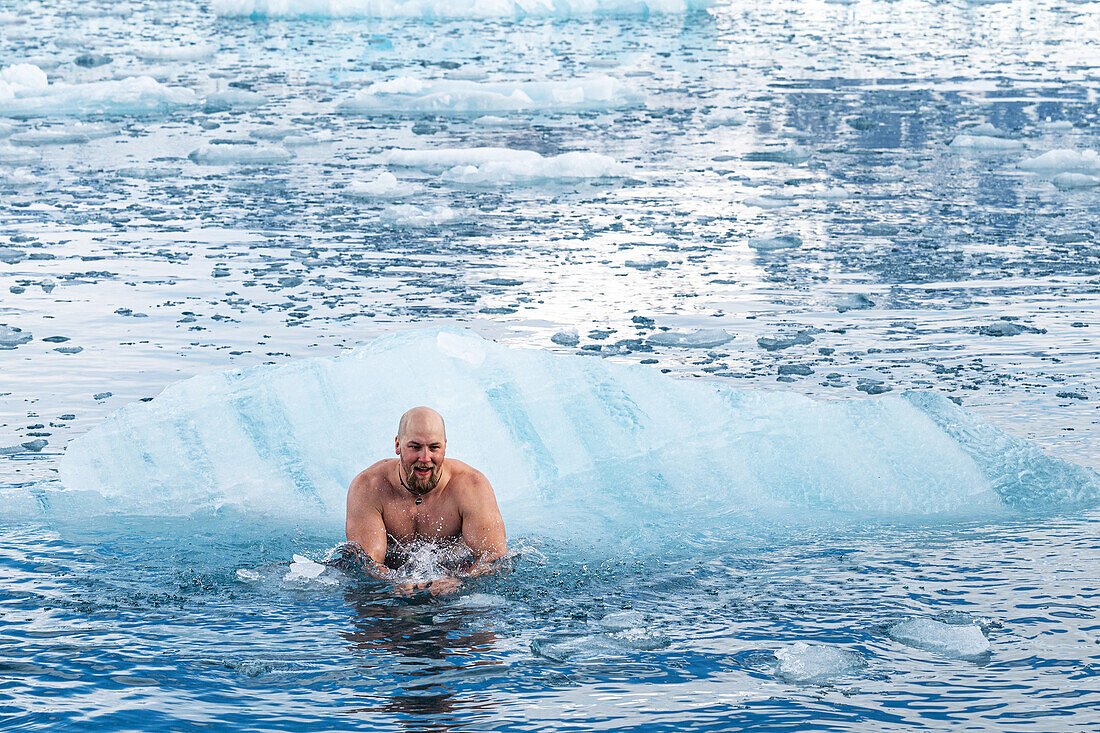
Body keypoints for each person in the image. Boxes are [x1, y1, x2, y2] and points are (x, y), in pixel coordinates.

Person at [344, 406, 507, 596]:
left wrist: (459, 582)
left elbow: (495, 557)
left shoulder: (472, 487)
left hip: (453, 589)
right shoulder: (368, 487)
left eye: (434, 448)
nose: (425, 458)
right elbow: (367, 563)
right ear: (398, 445)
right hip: (393, 592)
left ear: (445, 446)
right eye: (415, 447)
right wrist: (391, 585)